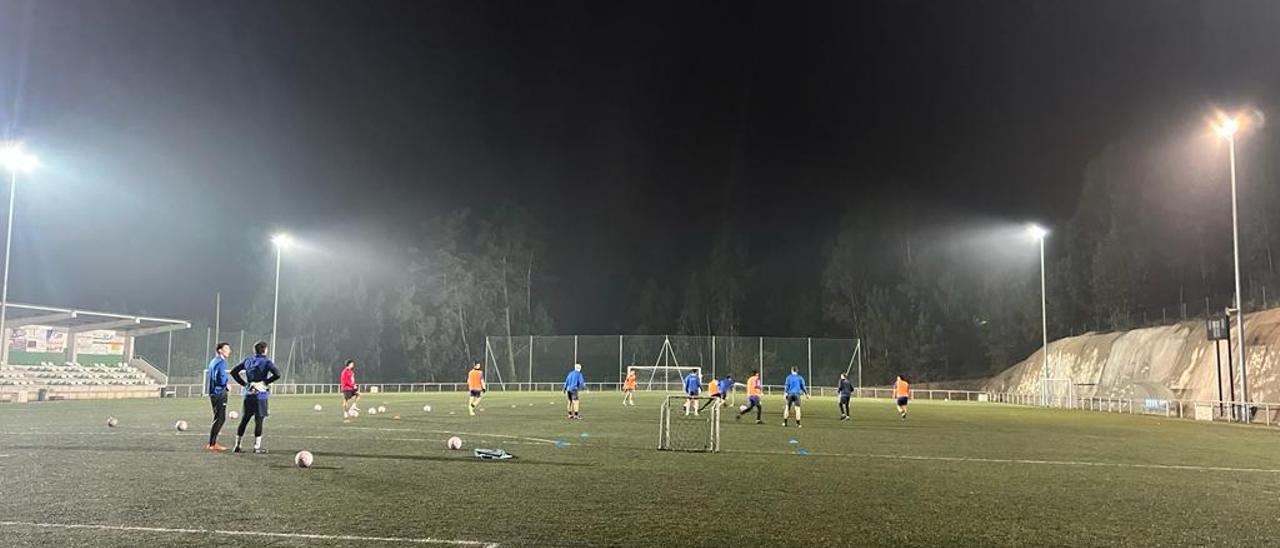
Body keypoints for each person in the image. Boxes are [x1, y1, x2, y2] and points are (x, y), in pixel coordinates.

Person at [229, 341, 281, 454]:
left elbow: (233, 372)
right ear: (265, 350)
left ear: (255, 350)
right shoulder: (266, 362)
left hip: (248, 395)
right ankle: (256, 447)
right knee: (259, 421)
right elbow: (278, 374)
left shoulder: (248, 361)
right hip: (261, 396)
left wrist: (245, 384)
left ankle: (237, 445)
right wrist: (265, 383)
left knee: (244, 420)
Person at [204, 342, 232, 451]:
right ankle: (212, 444)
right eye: (226, 348)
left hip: (214, 392)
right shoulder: (221, 362)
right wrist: (226, 384)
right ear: (220, 350)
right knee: (220, 418)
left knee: (219, 417)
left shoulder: (214, 361)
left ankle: (212, 443)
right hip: (219, 393)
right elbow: (219, 377)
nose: (229, 351)